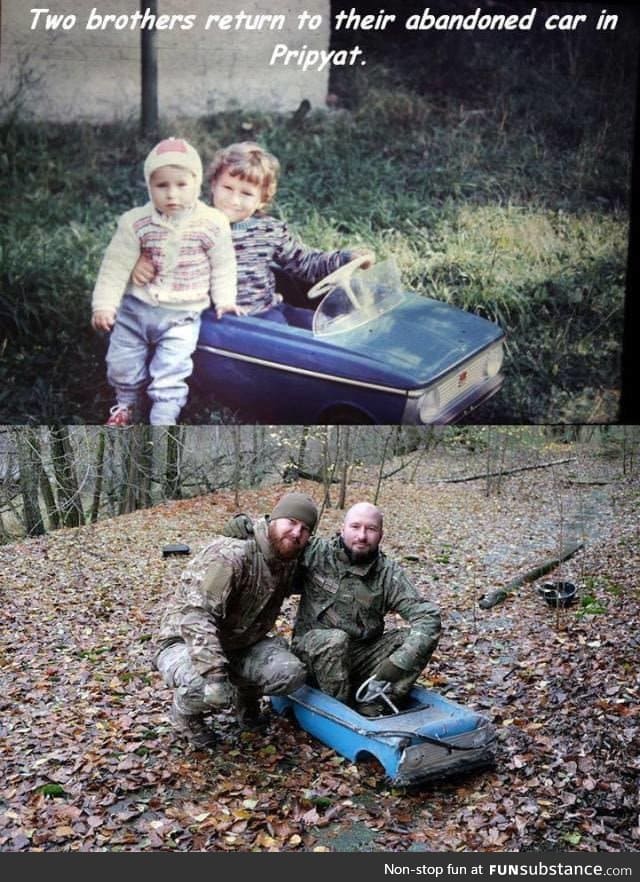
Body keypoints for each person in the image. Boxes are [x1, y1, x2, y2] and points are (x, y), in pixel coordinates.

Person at [133, 141, 374, 329]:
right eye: (227, 188)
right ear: (213, 185)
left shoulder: (269, 230)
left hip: (268, 309)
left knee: (323, 324)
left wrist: (344, 258)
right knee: (297, 345)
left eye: (246, 193)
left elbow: (306, 262)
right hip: (224, 320)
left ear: (261, 199)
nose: (234, 200)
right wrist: (142, 260)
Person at [91, 137, 239, 427]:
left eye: (181, 185)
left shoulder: (212, 223)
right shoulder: (136, 222)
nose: (172, 194)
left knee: (172, 367)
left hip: (182, 315)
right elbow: (115, 264)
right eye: (162, 186)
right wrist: (104, 305)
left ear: (196, 183)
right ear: (149, 186)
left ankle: (164, 416)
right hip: (136, 309)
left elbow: (223, 264)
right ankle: (126, 404)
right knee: (122, 361)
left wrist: (225, 299)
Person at [152, 492, 318, 748]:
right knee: (209, 685)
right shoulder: (232, 554)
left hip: (241, 642)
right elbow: (195, 616)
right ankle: (184, 713)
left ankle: (246, 701)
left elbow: (338, 554)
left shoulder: (290, 558)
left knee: (290, 673)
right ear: (274, 518)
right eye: (291, 522)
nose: (296, 532)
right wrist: (215, 673)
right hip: (183, 642)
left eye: (305, 529)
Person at [292, 502, 441, 716]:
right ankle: (340, 713)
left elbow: (428, 618)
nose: (362, 536)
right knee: (335, 640)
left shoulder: (387, 574)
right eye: (355, 527)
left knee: (410, 639)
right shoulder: (315, 552)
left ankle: (373, 702)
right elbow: (277, 540)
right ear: (342, 529)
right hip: (311, 654)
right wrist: (245, 529)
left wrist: (398, 663)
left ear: (381, 534)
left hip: (360, 657)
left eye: (371, 529)